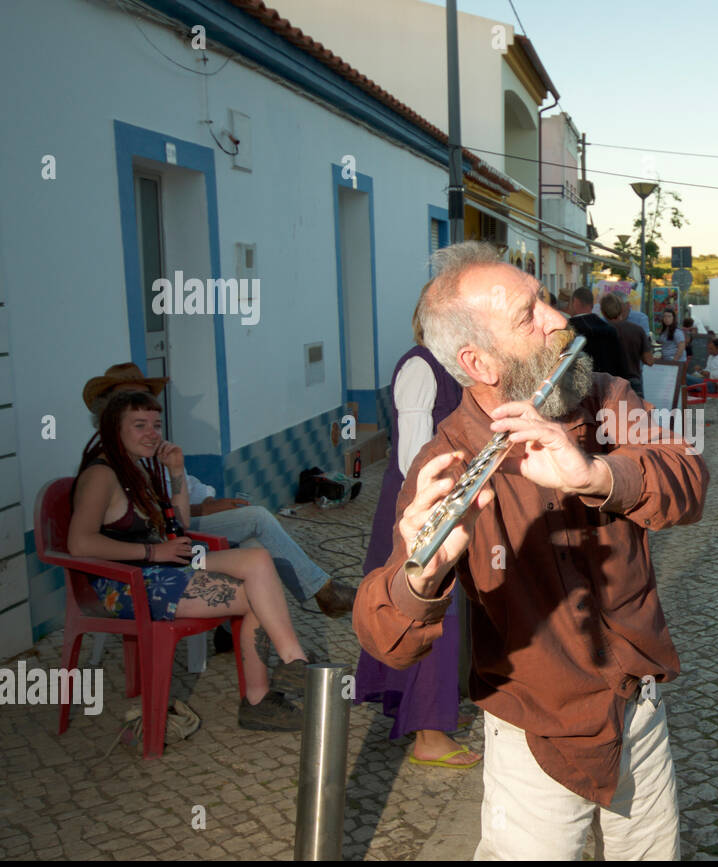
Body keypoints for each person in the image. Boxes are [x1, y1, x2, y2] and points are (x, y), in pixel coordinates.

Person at [353, 241, 709, 860]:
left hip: (636, 707)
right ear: (479, 362)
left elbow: (688, 481)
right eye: (529, 315)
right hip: (533, 734)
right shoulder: (445, 461)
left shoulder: (606, 399)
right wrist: (421, 578)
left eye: (543, 299)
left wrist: (597, 476)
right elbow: (385, 637)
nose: (558, 319)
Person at [68, 390, 313, 730]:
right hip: (125, 583)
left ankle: (293, 663)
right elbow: (79, 544)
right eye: (139, 425)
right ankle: (260, 698)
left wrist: (177, 473)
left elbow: (178, 525)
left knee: (257, 560)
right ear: (113, 430)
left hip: (160, 568)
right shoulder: (101, 476)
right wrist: (152, 552)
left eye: (156, 424)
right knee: (258, 596)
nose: (152, 433)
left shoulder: (137, 468)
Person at [82, 364, 357, 619]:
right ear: (112, 417)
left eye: (147, 409)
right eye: (133, 411)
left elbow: (182, 497)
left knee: (254, 541)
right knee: (257, 520)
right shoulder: (106, 470)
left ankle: (240, 631)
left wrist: (209, 500)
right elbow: (142, 522)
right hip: (157, 552)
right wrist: (201, 510)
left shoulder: (147, 454)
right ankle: (323, 592)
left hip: (174, 533)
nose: (146, 421)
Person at [354, 299, 479, 768]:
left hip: (443, 504)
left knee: (440, 611)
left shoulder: (451, 367)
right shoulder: (421, 367)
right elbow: (412, 457)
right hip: (421, 510)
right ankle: (429, 733)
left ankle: (419, 710)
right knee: (430, 613)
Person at [568, 287, 629, 378]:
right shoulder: (609, 329)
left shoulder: (568, 329)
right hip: (608, 385)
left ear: (575, 302)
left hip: (579, 386)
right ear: (592, 305)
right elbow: (621, 365)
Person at [605, 293, 653, 397]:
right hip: (628, 378)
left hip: (613, 380)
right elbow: (649, 359)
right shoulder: (636, 329)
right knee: (635, 411)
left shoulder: (601, 328)